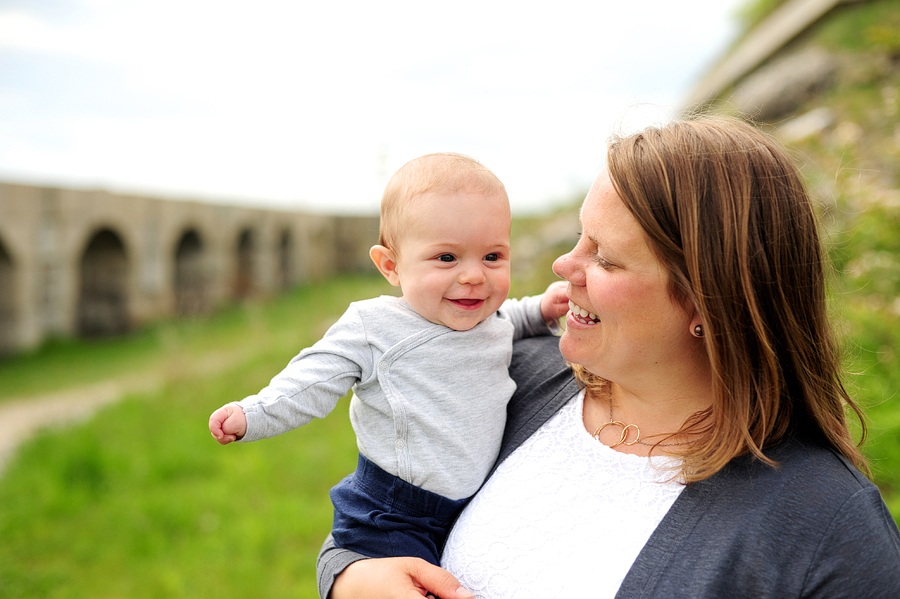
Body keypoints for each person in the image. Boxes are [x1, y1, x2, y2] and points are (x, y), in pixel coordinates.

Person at [318, 117, 900, 599]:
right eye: (579, 238)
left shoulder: (828, 525)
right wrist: (351, 578)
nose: (564, 267)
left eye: (606, 258)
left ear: (708, 300)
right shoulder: (516, 374)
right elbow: (380, 513)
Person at [208, 152, 569, 567]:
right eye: (447, 258)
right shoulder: (376, 327)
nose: (474, 276)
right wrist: (252, 413)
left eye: (492, 257)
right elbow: (313, 377)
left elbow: (510, 319)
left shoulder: (487, 318)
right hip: (394, 514)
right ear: (391, 266)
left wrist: (542, 309)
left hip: (468, 507)